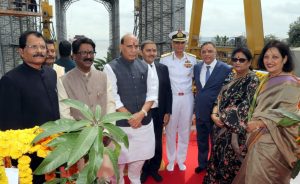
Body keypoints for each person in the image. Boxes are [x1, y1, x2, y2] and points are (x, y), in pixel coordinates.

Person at [233, 40, 300, 184]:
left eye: (275, 57)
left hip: (273, 142)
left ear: (285, 59)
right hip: (257, 136)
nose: (269, 61)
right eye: (266, 57)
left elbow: (289, 114)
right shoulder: (267, 79)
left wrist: (260, 122)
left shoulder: (291, 82)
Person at [0, 30, 60, 183]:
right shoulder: (10, 80)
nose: (40, 51)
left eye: (42, 47)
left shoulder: (51, 74)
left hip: (54, 149)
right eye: (34, 47)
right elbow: (8, 124)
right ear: (21, 51)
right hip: (27, 153)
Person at [103, 33, 157, 184]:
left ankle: (135, 180)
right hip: (121, 127)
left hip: (143, 124)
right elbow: (113, 96)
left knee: (138, 162)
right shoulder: (110, 67)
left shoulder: (146, 67)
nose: (133, 50)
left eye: (136, 46)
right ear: (121, 47)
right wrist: (130, 118)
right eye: (129, 46)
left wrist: (141, 114)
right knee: (118, 166)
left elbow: (152, 94)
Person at [203, 47, 259, 184]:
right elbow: (219, 97)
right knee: (216, 156)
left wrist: (222, 117)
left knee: (230, 162)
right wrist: (214, 114)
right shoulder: (230, 76)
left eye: (242, 60)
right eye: (234, 59)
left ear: (249, 61)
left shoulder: (252, 80)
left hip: (234, 130)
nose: (237, 62)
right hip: (219, 125)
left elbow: (246, 106)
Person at [160, 30, 196, 171]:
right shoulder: (165, 59)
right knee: (170, 129)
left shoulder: (192, 59)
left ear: (185, 43)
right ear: (172, 44)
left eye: (182, 42)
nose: (179, 45)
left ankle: (181, 159)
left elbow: (194, 79)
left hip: (187, 97)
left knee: (184, 130)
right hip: (172, 97)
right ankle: (171, 159)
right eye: (176, 43)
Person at [194, 42, 231, 174]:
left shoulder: (226, 69)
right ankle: (202, 164)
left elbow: (227, 92)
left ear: (216, 52)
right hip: (200, 111)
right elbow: (199, 90)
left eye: (210, 51)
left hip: (216, 112)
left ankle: (214, 165)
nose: (207, 54)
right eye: (203, 51)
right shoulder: (197, 67)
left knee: (216, 141)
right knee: (202, 140)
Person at [57, 36, 115, 121]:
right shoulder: (63, 81)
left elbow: (111, 106)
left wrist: (106, 131)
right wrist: (86, 132)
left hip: (104, 132)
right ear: (74, 56)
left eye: (91, 53)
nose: (88, 56)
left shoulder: (104, 77)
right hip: (78, 133)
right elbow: (65, 115)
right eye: (84, 53)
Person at [139, 40, 172, 183]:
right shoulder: (136, 68)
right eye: (148, 50)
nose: (152, 53)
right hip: (143, 112)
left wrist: (168, 112)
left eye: (154, 50)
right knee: (143, 142)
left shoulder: (163, 68)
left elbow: (168, 91)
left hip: (159, 112)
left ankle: (154, 168)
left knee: (157, 142)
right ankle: (144, 169)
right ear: (141, 52)